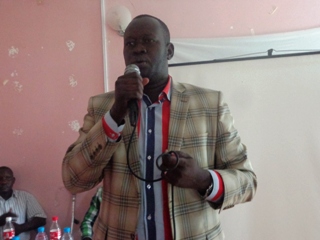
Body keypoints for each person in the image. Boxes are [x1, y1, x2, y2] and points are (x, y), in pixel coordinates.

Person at [62, 14, 257, 240]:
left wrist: (203, 179)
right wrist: (115, 115)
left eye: (148, 41)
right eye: (130, 44)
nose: (138, 49)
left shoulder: (210, 104)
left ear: (169, 51)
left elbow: (247, 181)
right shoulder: (102, 107)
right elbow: (73, 180)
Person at [0, 166, 47, 240]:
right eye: (0, 178)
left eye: (8, 178)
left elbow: (41, 219)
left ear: (13, 180)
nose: (4, 182)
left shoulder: (25, 197)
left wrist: (21, 228)